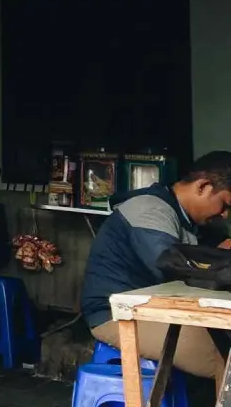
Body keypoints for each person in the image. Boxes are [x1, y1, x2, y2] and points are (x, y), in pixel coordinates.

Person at [81, 151, 231, 390]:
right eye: (224, 204)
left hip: (155, 310)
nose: (224, 215)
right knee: (225, 353)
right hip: (116, 314)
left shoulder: (190, 220)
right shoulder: (150, 209)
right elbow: (172, 269)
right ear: (203, 186)